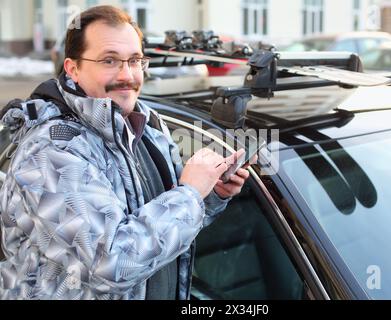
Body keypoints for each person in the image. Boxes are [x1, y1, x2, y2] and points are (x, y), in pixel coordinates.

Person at [0, 5, 250, 300]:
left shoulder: (147, 128)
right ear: (73, 68)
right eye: (110, 61)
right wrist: (190, 194)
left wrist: (208, 196)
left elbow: (155, 227)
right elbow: (112, 264)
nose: (127, 75)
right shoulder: (52, 151)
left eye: (134, 60)